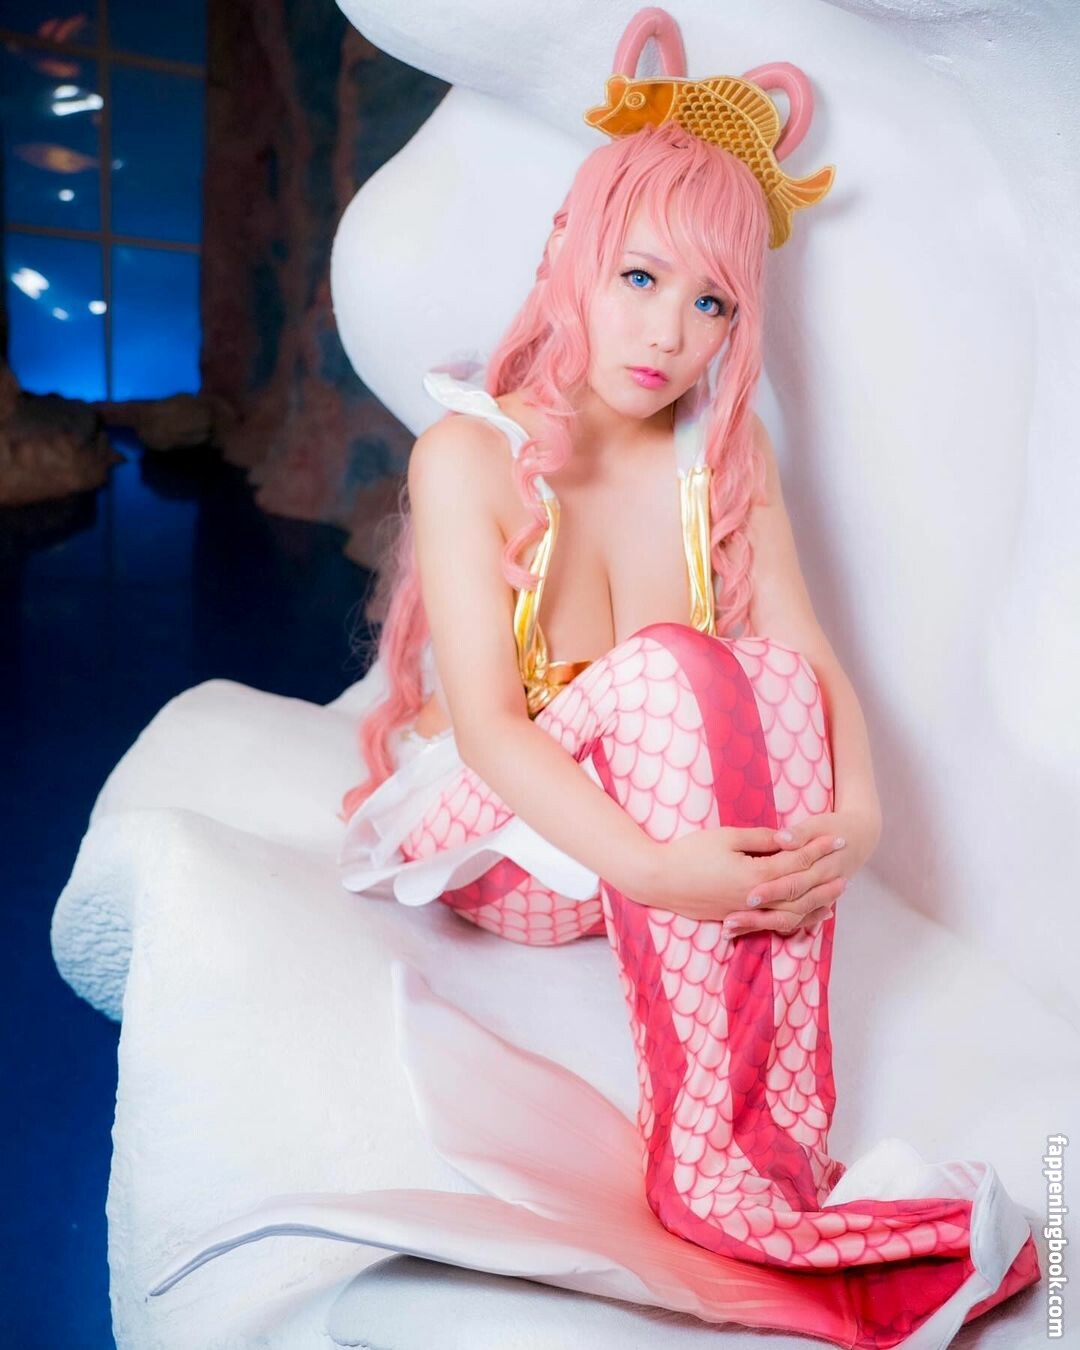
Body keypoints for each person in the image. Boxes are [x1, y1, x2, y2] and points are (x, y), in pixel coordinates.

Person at [328, 95, 1040, 1345]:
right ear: (567, 251)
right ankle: (705, 1167)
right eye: (640, 277)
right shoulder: (467, 455)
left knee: (767, 678)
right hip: (512, 848)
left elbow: (804, 655)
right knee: (670, 670)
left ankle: (776, 1151)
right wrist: (661, 871)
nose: (668, 332)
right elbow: (491, 730)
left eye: (710, 302)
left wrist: (860, 818)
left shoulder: (724, 451)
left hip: (653, 854)